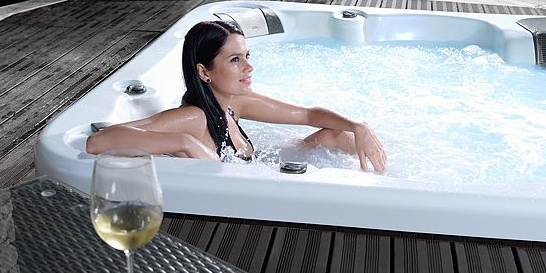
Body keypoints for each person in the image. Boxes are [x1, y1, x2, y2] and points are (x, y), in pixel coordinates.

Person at [85, 20, 387, 173]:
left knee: (337, 135)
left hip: (259, 170)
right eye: (234, 60)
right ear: (204, 72)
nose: (248, 67)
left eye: (246, 56)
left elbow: (308, 115)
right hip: (234, 208)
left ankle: (385, 176)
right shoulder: (193, 117)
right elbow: (99, 141)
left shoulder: (233, 103)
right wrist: (183, 142)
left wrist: (358, 126)